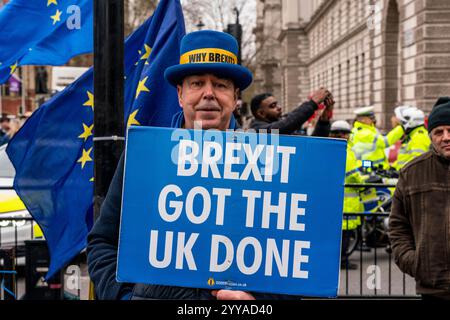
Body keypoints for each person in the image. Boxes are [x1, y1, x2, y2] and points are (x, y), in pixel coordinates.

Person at [87, 30, 295, 301]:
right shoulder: (144, 157)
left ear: (235, 97)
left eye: (220, 85)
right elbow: (103, 243)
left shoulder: (268, 163)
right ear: (180, 94)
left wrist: (258, 303)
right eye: (197, 83)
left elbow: (292, 261)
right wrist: (124, 297)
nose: (208, 94)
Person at [389, 97, 450, 300]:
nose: (446, 137)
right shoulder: (412, 173)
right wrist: (416, 263)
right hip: (433, 288)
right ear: (431, 135)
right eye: (439, 132)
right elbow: (398, 227)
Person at [329, 120, 364, 270]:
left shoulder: (329, 148)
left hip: (334, 199)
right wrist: (363, 183)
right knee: (345, 234)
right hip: (346, 202)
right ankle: (343, 261)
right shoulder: (345, 151)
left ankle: (335, 260)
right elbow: (353, 175)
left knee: (335, 234)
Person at [249, 89, 334, 136]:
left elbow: (312, 145)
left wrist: (324, 120)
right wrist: (313, 103)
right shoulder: (257, 130)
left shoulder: (284, 125)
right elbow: (285, 125)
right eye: (273, 106)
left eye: (277, 104)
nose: (279, 108)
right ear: (261, 113)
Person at [391, 106, 430, 170]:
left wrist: (399, 172)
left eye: (402, 123)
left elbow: (418, 163)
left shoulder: (419, 137)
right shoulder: (413, 135)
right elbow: (405, 159)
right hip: (404, 176)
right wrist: (393, 168)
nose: (400, 126)